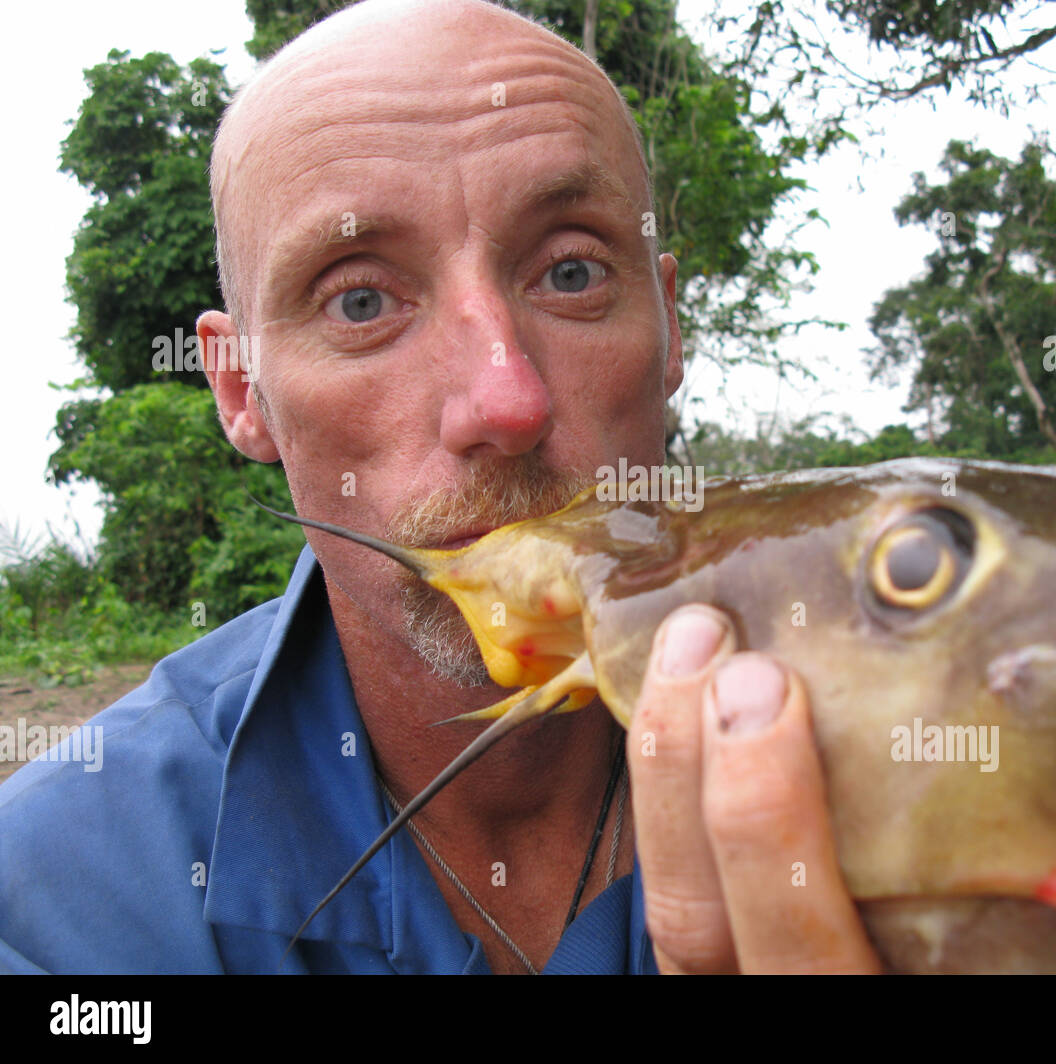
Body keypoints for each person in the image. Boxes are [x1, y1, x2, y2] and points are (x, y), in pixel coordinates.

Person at [0, 0, 879, 974]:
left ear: (668, 329)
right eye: (361, 301)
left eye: (573, 272)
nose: (505, 399)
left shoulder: (919, 753)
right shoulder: (55, 895)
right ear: (241, 388)